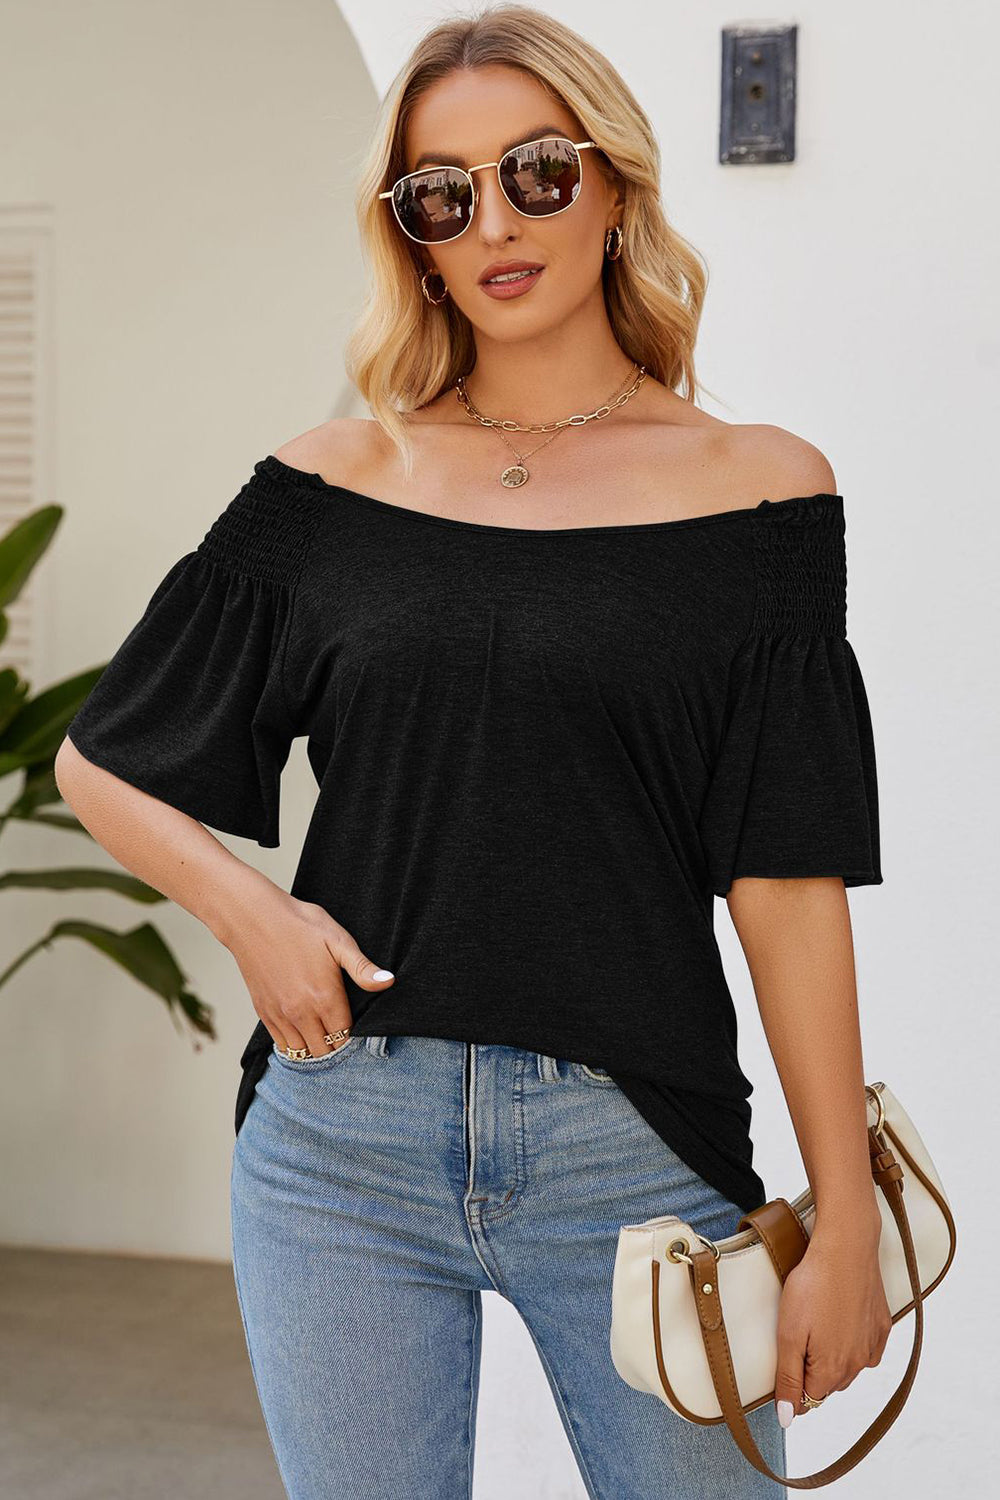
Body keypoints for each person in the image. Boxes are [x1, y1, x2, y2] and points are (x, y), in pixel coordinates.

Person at [55, 6, 892, 1497]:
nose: (494, 221)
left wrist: (844, 1215)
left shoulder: (759, 495)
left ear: (612, 182)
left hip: (633, 1150)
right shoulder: (330, 485)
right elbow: (102, 763)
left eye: (537, 172)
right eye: (442, 195)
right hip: (341, 1145)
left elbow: (786, 873)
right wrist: (259, 920)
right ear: (414, 239)